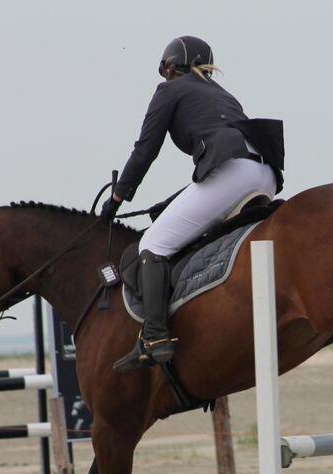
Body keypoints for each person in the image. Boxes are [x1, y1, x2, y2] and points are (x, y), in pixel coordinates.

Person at [101, 36, 285, 373]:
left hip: (232, 171)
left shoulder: (168, 90)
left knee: (154, 244)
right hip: (265, 172)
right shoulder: (220, 93)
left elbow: (145, 150)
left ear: (171, 67)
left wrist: (116, 199)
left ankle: (154, 336)